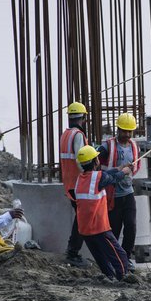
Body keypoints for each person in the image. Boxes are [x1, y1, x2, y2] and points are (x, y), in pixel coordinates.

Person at [73, 145, 133, 280]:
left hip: (84, 229)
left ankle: (110, 278)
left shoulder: (81, 179)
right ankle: (125, 278)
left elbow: (106, 175)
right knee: (120, 256)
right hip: (98, 228)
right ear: (96, 161)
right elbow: (113, 178)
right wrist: (125, 171)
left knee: (101, 258)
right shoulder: (98, 178)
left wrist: (119, 168)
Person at [98, 112, 141, 271]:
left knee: (131, 226)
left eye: (129, 131)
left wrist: (130, 173)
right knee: (114, 230)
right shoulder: (108, 145)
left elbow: (137, 165)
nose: (127, 134)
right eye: (124, 131)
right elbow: (96, 163)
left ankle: (126, 258)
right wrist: (115, 172)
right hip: (112, 195)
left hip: (128, 193)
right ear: (118, 129)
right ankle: (112, 260)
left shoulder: (134, 146)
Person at [59, 102, 89, 267]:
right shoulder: (78, 135)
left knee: (81, 218)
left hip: (69, 183)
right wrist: (89, 173)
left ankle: (73, 251)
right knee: (82, 219)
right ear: (83, 117)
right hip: (78, 183)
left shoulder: (65, 134)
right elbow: (80, 159)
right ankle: (72, 252)